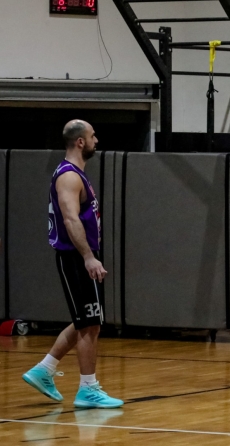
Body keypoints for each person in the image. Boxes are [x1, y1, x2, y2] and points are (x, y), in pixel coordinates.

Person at [22, 120, 123, 409]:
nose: (96, 140)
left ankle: (44, 369)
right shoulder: (68, 176)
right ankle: (88, 389)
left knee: (87, 320)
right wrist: (89, 257)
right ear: (80, 142)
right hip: (76, 257)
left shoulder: (75, 173)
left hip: (80, 255)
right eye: (92, 136)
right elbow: (70, 219)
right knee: (90, 325)